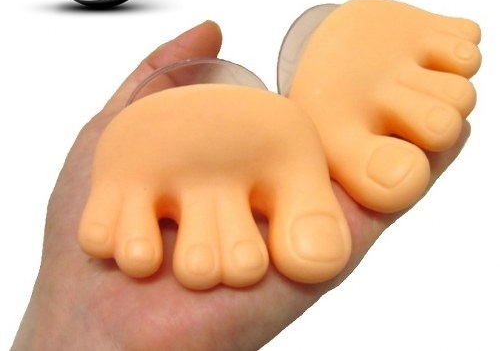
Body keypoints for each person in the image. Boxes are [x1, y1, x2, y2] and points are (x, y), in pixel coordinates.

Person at [12, 20, 470, 350]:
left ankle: (324, 94)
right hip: (243, 133)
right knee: (290, 154)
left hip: (267, 130)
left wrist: (78, 335)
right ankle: (296, 147)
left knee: (291, 149)